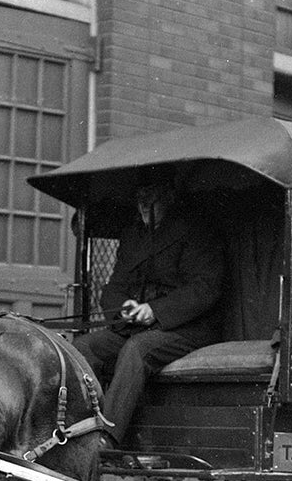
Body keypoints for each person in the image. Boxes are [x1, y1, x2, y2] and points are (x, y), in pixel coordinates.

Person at [73, 173, 225, 443]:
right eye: (139, 198)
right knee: (85, 348)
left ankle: (105, 439)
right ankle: (78, 434)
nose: (143, 205)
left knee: (138, 349)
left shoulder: (197, 231)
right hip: (137, 326)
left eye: (151, 198)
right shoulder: (134, 236)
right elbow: (114, 286)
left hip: (188, 329)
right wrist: (124, 310)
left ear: (169, 197)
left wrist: (154, 310)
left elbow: (205, 289)